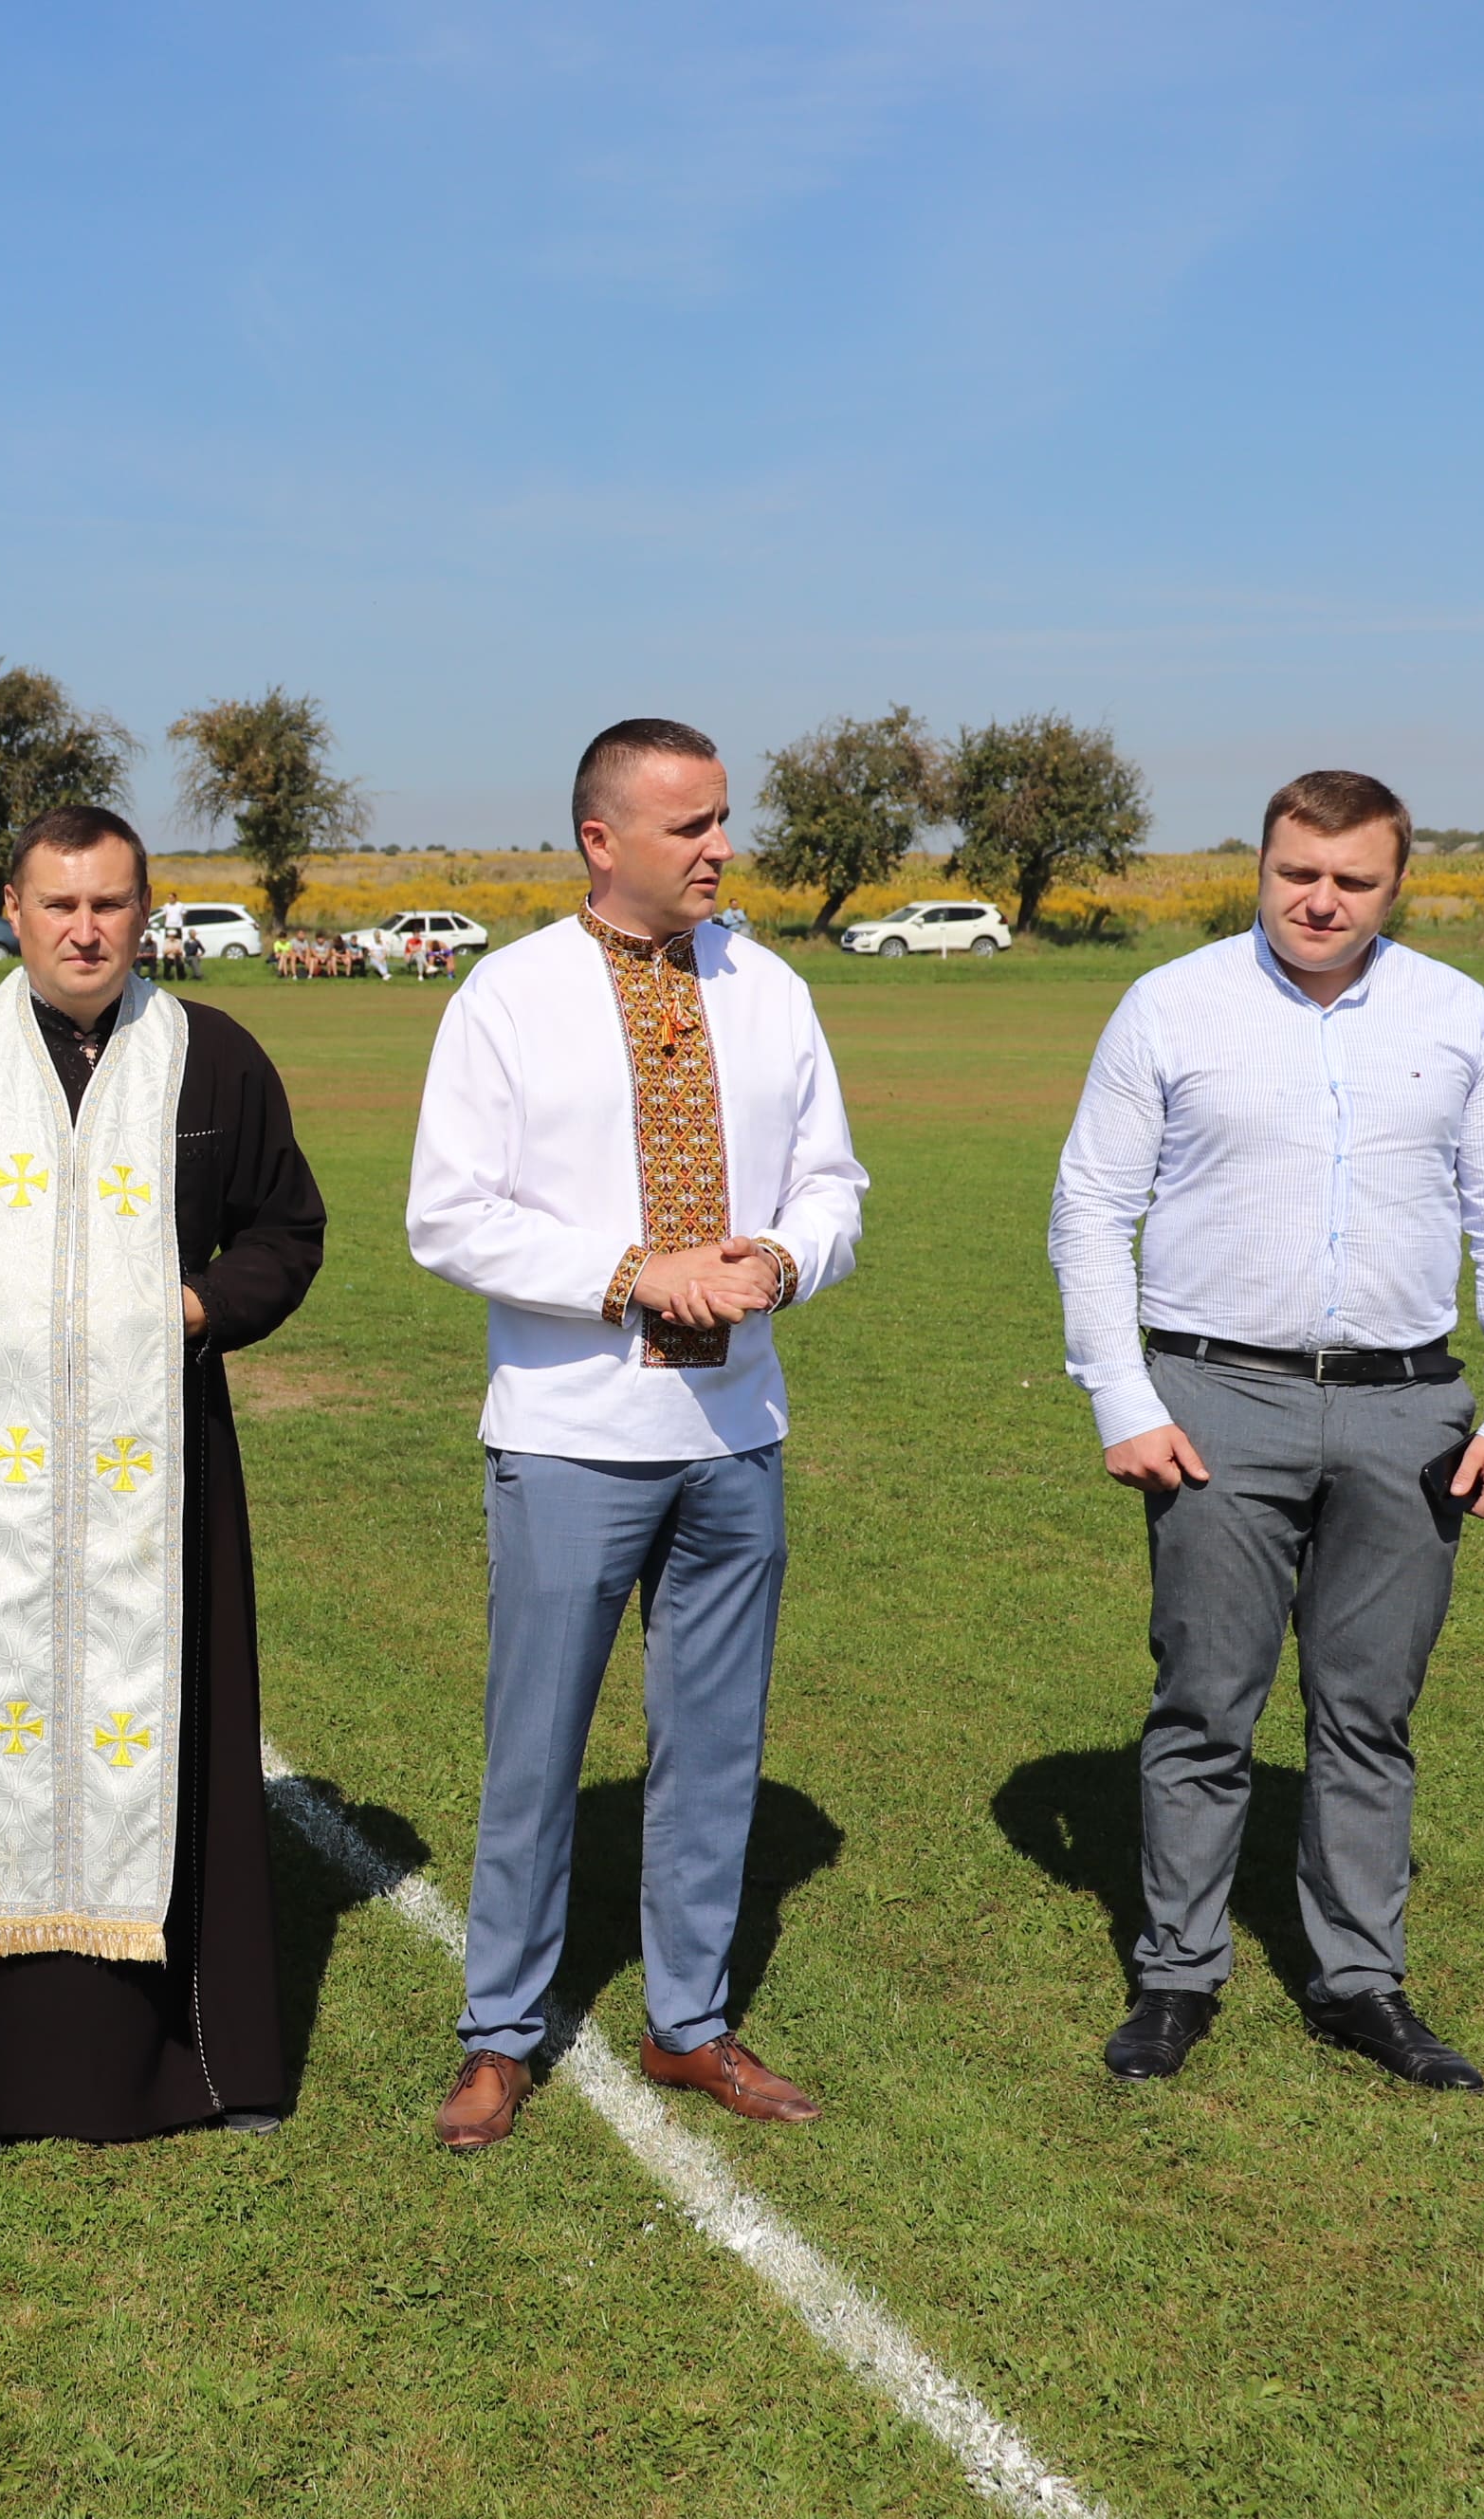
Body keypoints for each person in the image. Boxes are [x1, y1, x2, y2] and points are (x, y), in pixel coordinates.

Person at [1048, 771, 1484, 2092]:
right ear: (1263, 865)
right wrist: (1123, 1394)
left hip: (1409, 1408)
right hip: (1216, 1399)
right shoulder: (1171, 1005)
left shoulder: (1457, 1014)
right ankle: (1178, 1973)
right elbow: (1091, 1206)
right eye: (1297, 872)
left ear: (1396, 886)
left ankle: (1358, 1981)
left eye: (1352, 880)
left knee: (1369, 1712)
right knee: (1204, 1704)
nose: (1320, 900)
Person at [406, 718, 868, 2153]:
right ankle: (500, 2035)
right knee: (535, 1751)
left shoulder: (772, 989)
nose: (722, 847)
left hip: (736, 1438)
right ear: (601, 842)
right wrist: (632, 1272)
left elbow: (834, 1185)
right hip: (571, 1438)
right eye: (690, 826)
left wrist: (784, 1257)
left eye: (724, 818)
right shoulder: (509, 995)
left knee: (715, 1749)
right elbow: (448, 1216)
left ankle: (691, 2024)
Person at [0, 804, 325, 2146]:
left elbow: (287, 1229)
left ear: (144, 911)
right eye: (59, 904)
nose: (85, 930)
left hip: (167, 1462)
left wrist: (196, 1308)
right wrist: (0, 1325)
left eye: (110, 903)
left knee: (181, 1718)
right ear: (13, 909)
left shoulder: (211, 1058)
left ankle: (196, 2058)